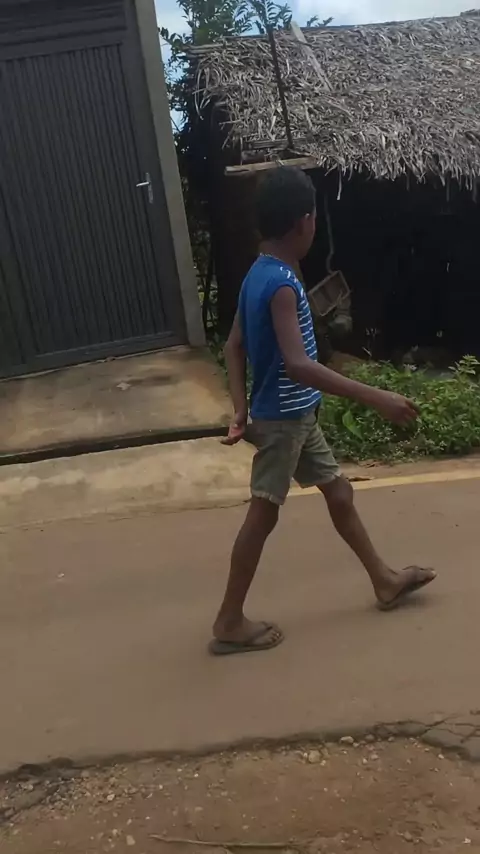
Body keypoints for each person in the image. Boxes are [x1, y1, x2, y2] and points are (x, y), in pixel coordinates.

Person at [209, 166, 436, 656]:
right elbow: (299, 365)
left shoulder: (258, 274)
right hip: (284, 422)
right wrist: (377, 397)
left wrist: (239, 409)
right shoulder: (283, 286)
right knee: (262, 516)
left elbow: (233, 346)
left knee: (339, 492)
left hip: (295, 415)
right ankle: (228, 620)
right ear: (305, 222)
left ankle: (384, 580)